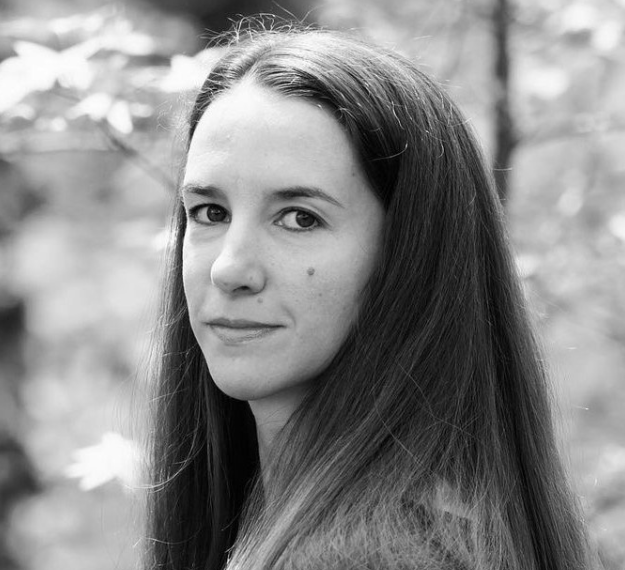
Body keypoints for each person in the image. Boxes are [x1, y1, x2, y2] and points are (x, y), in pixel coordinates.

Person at [145, 26, 592, 570]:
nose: (230, 268)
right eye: (210, 213)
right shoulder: (310, 520)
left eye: (299, 218)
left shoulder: (380, 554)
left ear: (405, 257)